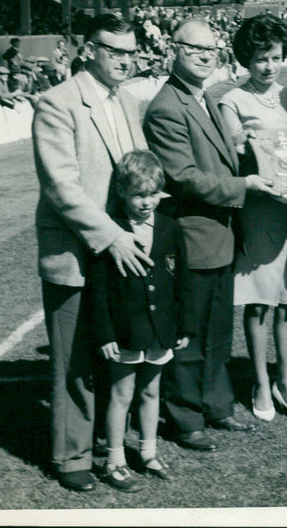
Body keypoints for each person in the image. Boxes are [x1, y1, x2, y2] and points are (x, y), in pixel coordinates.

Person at [143, 18, 282, 452]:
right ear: (174, 49)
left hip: (219, 234)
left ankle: (217, 406)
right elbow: (184, 178)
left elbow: (219, 158)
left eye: (211, 50)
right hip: (193, 236)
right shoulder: (167, 106)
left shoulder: (205, 97)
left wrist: (244, 143)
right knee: (190, 332)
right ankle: (186, 418)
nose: (205, 56)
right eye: (195, 49)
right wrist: (246, 185)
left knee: (218, 330)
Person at [32, 13, 150, 492]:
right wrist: (112, 236)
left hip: (120, 248)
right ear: (88, 49)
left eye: (131, 51)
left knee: (111, 352)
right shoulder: (56, 102)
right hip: (79, 250)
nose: (124, 60)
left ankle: (105, 440)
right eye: (114, 50)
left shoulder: (127, 100)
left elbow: (142, 169)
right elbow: (62, 187)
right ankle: (71, 456)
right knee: (76, 359)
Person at [218, 15, 287, 423]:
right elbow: (232, 157)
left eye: (275, 57)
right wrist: (247, 149)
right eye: (261, 58)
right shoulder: (231, 101)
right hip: (259, 210)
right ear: (246, 58)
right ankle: (261, 382)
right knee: (258, 301)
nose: (269, 66)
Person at [86, 150, 192, 491]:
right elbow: (98, 290)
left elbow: (182, 280)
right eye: (138, 195)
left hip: (160, 330)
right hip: (125, 331)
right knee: (122, 393)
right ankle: (114, 459)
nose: (147, 202)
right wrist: (105, 333)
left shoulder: (170, 228)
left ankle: (148, 453)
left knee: (151, 391)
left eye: (153, 195)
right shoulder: (110, 230)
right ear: (122, 192)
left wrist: (183, 325)